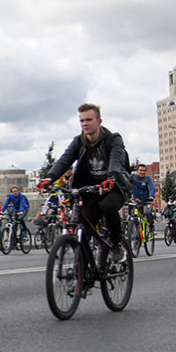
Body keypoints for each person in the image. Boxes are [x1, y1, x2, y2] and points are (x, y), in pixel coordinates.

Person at [38, 103, 131, 261]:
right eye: (82, 121)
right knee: (83, 229)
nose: (85, 124)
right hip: (90, 190)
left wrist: (111, 177)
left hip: (114, 186)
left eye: (89, 119)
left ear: (99, 121)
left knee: (108, 207)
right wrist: (49, 178)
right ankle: (85, 274)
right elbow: (64, 160)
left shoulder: (113, 139)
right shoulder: (79, 142)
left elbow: (116, 159)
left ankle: (116, 244)